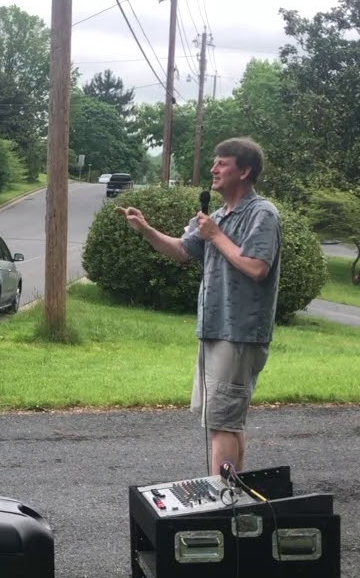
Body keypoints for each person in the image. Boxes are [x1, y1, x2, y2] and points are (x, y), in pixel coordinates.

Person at [118, 137, 282, 476]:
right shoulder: (217, 216)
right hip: (213, 328)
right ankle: (231, 496)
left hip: (239, 333)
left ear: (245, 171)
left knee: (222, 422)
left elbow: (256, 267)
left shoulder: (262, 214)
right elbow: (181, 250)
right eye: (215, 162)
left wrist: (215, 235)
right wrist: (146, 230)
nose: (213, 169)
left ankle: (220, 497)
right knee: (225, 420)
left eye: (222, 163)